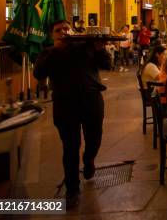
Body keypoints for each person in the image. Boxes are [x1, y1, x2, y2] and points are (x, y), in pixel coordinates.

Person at [33, 20, 111, 208]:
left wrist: (99, 48)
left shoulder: (86, 47)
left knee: (94, 138)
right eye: (58, 30)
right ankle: (72, 190)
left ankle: (89, 158)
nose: (63, 32)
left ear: (73, 30)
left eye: (66, 28)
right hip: (64, 104)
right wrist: (56, 50)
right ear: (52, 35)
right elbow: (38, 74)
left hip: (91, 100)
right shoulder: (48, 53)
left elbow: (107, 64)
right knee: (70, 147)